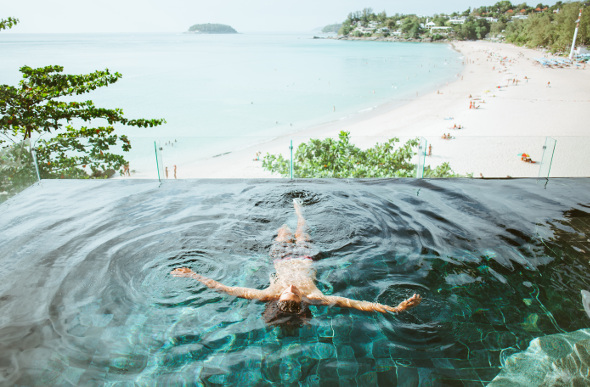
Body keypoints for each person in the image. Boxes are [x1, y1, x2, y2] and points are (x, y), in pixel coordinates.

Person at [171, 200, 422, 327]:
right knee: (301, 230)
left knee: (282, 231)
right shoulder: (314, 295)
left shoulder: (267, 293)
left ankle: (290, 213)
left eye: (286, 295)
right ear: (301, 303)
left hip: (280, 256)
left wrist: (194, 276)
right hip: (304, 256)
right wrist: (394, 309)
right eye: (295, 296)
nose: (291, 290)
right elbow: (356, 304)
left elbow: (225, 288)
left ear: (278, 302)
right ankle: (300, 212)